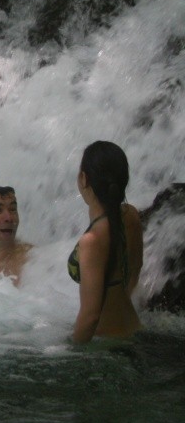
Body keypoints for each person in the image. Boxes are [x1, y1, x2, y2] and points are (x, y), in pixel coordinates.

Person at [68, 141, 143, 343]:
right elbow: (135, 270)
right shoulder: (131, 215)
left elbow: (91, 316)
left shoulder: (91, 241)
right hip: (134, 329)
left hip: (107, 342)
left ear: (83, 179)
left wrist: (75, 354)